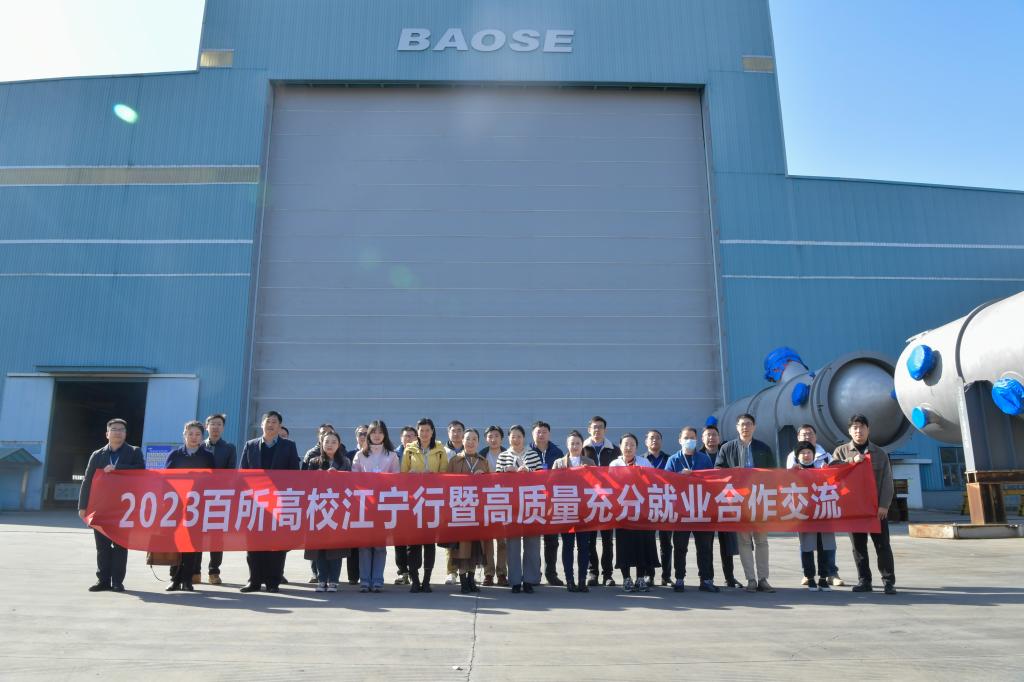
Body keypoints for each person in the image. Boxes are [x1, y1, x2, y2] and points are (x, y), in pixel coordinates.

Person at [830, 414, 897, 595]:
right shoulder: (841, 452)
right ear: (849, 431)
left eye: (862, 427)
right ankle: (864, 581)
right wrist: (851, 461)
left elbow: (887, 481)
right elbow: (832, 472)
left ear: (868, 429)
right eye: (855, 427)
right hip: (854, 510)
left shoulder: (879, 453)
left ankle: (888, 581)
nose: (858, 431)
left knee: (882, 546)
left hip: (876, 510)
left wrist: (884, 505)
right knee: (859, 547)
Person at [78, 418, 145, 592]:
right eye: (114, 429)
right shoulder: (97, 455)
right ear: (107, 434)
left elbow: (141, 472)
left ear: (125, 433)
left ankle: (117, 582)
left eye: (121, 429)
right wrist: (82, 506)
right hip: (101, 508)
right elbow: (87, 481)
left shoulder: (134, 452)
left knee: (121, 546)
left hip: (125, 509)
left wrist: (118, 468)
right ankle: (103, 580)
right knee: (102, 546)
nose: (117, 432)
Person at [238, 410, 300, 593]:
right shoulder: (250, 445)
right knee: (254, 543)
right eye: (268, 421)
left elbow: (294, 474)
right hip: (256, 502)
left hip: (279, 502)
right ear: (261, 424)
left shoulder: (289, 446)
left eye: (274, 422)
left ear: (280, 426)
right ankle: (254, 580)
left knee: (277, 544)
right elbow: (243, 472)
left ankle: (273, 581)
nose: (271, 425)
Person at [715, 413, 776, 593]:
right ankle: (751, 579)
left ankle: (763, 579)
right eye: (742, 424)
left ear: (754, 427)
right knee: (744, 541)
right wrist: (731, 472)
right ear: (737, 427)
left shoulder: (763, 448)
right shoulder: (727, 448)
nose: (745, 427)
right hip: (739, 500)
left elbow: (774, 473)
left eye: (748, 424)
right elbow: (718, 470)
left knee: (762, 541)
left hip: (759, 498)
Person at [786, 423, 845, 587]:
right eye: (804, 434)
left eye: (810, 434)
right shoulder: (792, 456)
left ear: (816, 436)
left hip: (824, 507)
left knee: (827, 543)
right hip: (804, 508)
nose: (807, 436)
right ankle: (808, 574)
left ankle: (830, 573)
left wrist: (829, 471)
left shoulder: (825, 456)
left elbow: (838, 474)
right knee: (806, 542)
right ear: (798, 437)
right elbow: (788, 482)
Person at [665, 426, 719, 593]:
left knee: (704, 547)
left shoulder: (704, 459)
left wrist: (696, 476)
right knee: (680, 546)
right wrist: (679, 477)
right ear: (680, 440)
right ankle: (679, 578)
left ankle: (706, 579)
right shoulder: (673, 460)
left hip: (701, 509)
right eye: (686, 438)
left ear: (696, 440)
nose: (689, 440)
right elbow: (665, 483)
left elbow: (712, 481)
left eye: (692, 438)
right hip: (681, 511)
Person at [164, 421, 215, 592]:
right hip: (176, 505)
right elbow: (165, 480)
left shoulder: (207, 457)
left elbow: (214, 480)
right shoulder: (175, 455)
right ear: (184, 435)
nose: (194, 437)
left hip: (198, 506)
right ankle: (174, 579)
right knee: (176, 543)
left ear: (202, 437)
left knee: (192, 543)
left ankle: (187, 579)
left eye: (197, 434)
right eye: (190, 434)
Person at [351, 420, 400, 592]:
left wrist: (383, 481)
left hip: (383, 506)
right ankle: (365, 580)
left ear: (385, 434)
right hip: (364, 506)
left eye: (380, 432)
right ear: (368, 435)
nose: (377, 435)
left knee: (379, 546)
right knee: (364, 545)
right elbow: (354, 479)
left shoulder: (392, 455)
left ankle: (378, 580)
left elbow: (397, 479)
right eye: (373, 432)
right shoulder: (360, 455)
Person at [401, 417, 448, 592]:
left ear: (432, 431)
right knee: (412, 543)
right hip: (414, 501)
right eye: (421, 430)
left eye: (428, 430)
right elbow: (402, 475)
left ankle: (427, 580)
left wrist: (433, 476)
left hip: (432, 501)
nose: (425, 433)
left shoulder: (440, 450)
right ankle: (415, 580)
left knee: (429, 543)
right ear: (417, 432)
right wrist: (410, 475)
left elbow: (445, 474)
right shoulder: (409, 450)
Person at [496, 424, 544, 593]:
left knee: (532, 544)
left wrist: (528, 471)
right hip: (511, 505)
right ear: (508, 438)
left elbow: (542, 478)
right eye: (513, 436)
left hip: (531, 503)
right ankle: (515, 581)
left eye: (519, 436)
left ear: (524, 438)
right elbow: (495, 481)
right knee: (512, 545)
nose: (515, 439)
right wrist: (505, 471)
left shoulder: (533, 455)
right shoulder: (503, 456)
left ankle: (530, 580)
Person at [609, 434, 657, 591]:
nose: (628, 447)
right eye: (625, 444)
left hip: (641, 512)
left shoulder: (644, 463)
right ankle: (626, 578)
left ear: (637, 447)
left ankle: (640, 578)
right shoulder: (614, 464)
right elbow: (610, 486)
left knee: (641, 546)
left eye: (632, 445)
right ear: (620, 446)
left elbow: (653, 483)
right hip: (622, 512)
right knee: (624, 546)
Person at [302, 431, 349, 593]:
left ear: (339, 444)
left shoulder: (345, 462)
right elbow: (306, 484)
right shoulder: (314, 462)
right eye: (327, 441)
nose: (330, 445)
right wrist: (317, 476)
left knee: (336, 547)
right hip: (319, 508)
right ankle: (322, 579)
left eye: (333, 442)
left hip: (337, 508)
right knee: (320, 547)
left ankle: (334, 580)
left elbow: (351, 484)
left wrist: (339, 476)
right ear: (321, 443)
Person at [552, 432, 596, 592]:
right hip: (566, 510)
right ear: (567, 445)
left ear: (582, 445)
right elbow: (551, 485)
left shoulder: (589, 462)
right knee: (568, 546)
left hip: (584, 511)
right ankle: (569, 580)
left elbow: (597, 484)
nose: (575, 446)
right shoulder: (559, 463)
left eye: (578, 443)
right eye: (572, 443)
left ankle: (582, 580)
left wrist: (588, 474)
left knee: (584, 546)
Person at [789, 440, 836, 592]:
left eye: (809, 452)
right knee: (807, 547)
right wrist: (791, 473)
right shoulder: (793, 471)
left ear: (813, 455)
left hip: (823, 514)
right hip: (805, 516)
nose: (806, 455)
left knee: (824, 547)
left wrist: (827, 473)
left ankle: (823, 578)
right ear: (797, 456)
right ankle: (810, 577)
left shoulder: (822, 469)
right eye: (802, 453)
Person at [447, 428, 490, 593]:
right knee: (461, 548)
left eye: (474, 439)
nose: (470, 442)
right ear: (462, 441)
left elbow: (491, 486)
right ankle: (463, 580)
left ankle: (472, 579)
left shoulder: (483, 461)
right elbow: (446, 485)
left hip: (477, 511)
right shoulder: (454, 461)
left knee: (475, 548)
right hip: (459, 511)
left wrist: (484, 476)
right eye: (467, 439)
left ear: (478, 442)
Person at [700, 424, 741, 588]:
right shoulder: (698, 456)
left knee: (727, 543)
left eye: (714, 435)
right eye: (708, 435)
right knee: (706, 544)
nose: (711, 438)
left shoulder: (727, 453)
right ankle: (707, 577)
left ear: (719, 437)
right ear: (702, 439)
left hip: (725, 502)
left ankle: (729, 577)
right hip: (705, 504)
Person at [199, 413, 236, 586]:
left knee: (216, 536)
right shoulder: (198, 446)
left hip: (219, 498)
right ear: (206, 427)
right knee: (196, 534)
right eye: (212, 424)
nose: (215, 427)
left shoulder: (229, 448)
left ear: (223, 428)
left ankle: (214, 571)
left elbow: (231, 473)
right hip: (198, 497)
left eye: (219, 424)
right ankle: (194, 570)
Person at [584, 415, 621, 586]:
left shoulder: (614, 450)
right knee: (590, 540)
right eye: (594, 427)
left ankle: (608, 574)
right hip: (589, 500)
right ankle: (593, 573)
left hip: (609, 501)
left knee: (607, 540)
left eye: (600, 427)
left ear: (605, 430)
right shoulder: (582, 448)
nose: (597, 430)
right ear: (589, 429)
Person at [533, 420, 565, 586]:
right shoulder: (528, 452)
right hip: (533, 502)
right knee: (533, 541)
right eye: (538, 432)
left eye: (544, 432)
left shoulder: (557, 452)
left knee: (552, 541)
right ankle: (534, 573)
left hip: (552, 502)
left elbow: (564, 476)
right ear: (533, 434)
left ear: (549, 434)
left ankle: (551, 573)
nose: (541, 435)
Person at [642, 429, 673, 585]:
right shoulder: (641, 460)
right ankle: (649, 575)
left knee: (666, 542)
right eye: (651, 438)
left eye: (657, 438)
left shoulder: (669, 459)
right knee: (648, 541)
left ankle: (666, 576)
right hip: (647, 505)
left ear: (661, 441)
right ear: (646, 442)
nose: (654, 440)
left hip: (666, 504)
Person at [481, 425, 509, 586]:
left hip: (504, 502)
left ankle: (502, 573)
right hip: (486, 502)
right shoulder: (481, 456)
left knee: (502, 541)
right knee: (487, 541)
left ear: (502, 438)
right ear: (486, 439)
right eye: (490, 436)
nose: (493, 439)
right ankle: (488, 573)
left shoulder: (508, 454)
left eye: (496, 436)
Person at [443, 420, 467, 584]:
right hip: (448, 499)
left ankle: (466, 569)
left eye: (459, 430)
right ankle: (451, 571)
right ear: (448, 433)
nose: (456, 434)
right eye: (453, 431)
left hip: (467, 498)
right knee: (450, 538)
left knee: (465, 538)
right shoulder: (442, 452)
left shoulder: (470, 450)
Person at [393, 425, 418, 585]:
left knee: (413, 540)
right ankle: (402, 571)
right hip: (397, 500)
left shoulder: (419, 453)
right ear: (401, 438)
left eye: (411, 436)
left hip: (416, 500)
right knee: (399, 540)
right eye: (405, 436)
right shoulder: (394, 454)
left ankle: (413, 571)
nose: (408, 438)